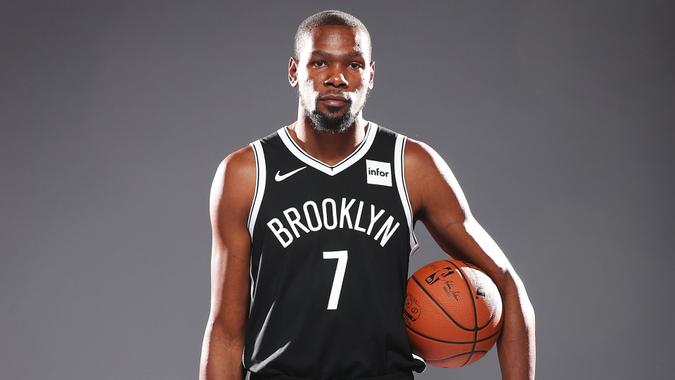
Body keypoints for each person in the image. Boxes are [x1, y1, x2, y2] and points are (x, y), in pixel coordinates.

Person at [199, 9, 535, 380]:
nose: (337, 78)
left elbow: (506, 284)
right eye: (320, 62)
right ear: (295, 71)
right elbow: (227, 333)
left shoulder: (411, 166)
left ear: (371, 75)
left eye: (354, 64)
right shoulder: (246, 173)